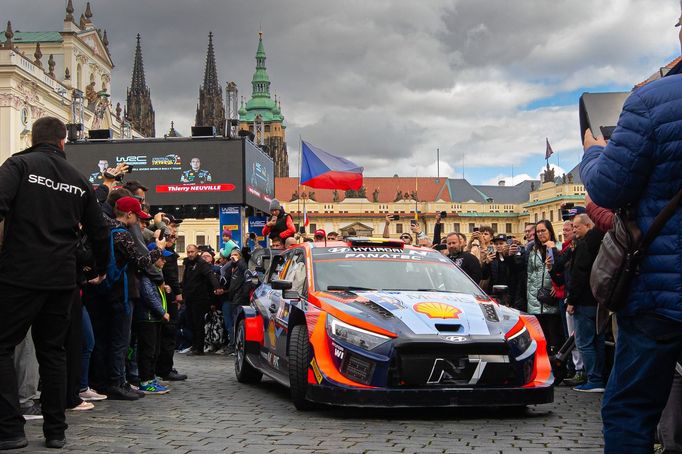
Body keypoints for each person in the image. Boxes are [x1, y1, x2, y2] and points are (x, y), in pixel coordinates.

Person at [579, 10, 682, 449]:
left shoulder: (654, 100)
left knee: (631, 409)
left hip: (661, 293)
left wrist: (593, 153)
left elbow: (607, 187)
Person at [0, 117, 109, 450]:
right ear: (63, 142)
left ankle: (10, 430)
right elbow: (99, 230)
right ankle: (56, 431)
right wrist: (97, 268)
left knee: (2, 345)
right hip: (62, 278)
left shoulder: (18, 164)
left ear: (34, 139)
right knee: (54, 351)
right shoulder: (78, 180)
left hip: (21, 273)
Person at [563, 214, 605, 393]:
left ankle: (594, 379)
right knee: (598, 341)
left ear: (588, 226)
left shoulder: (583, 246)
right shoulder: (601, 243)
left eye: (576, 227)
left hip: (584, 301)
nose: (574, 230)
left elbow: (578, 276)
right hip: (599, 300)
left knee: (584, 342)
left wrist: (571, 300)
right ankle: (599, 378)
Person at [133, 245, 172, 394]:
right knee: (147, 350)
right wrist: (162, 312)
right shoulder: (146, 275)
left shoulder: (156, 275)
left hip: (154, 318)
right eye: (162, 259)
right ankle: (145, 381)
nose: (164, 262)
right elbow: (149, 296)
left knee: (154, 350)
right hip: (148, 317)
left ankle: (150, 378)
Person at [526, 220, 563, 355]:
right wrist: (531, 297)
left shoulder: (558, 247)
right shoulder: (533, 250)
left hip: (552, 297)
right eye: (538, 231)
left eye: (543, 230)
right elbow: (530, 275)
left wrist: (558, 286)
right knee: (540, 337)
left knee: (554, 335)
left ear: (550, 231)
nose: (540, 234)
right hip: (536, 299)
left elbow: (562, 270)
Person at [182, 245, 223, 356]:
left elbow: (210, 276)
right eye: (188, 252)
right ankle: (195, 345)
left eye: (192, 252)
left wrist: (217, 287)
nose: (190, 254)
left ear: (197, 252)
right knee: (191, 323)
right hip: (190, 298)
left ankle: (199, 348)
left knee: (198, 323)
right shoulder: (188, 264)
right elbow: (185, 280)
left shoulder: (201, 264)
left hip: (200, 298)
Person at [220, 249, 249, 354]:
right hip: (233, 298)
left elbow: (245, 270)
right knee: (231, 324)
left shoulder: (242, 265)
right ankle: (233, 344)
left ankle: (235, 346)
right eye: (231, 255)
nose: (233, 257)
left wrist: (239, 260)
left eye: (236, 255)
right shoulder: (232, 267)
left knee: (236, 324)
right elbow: (223, 270)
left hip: (240, 298)